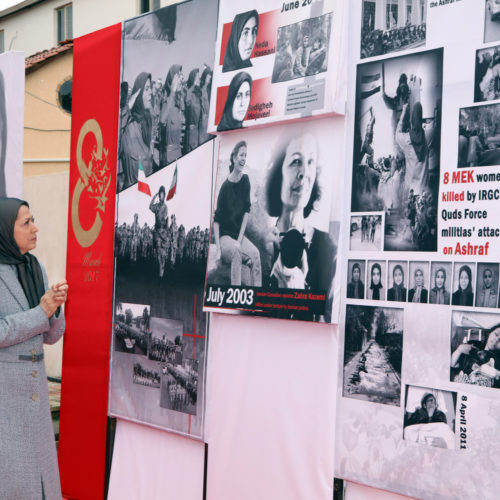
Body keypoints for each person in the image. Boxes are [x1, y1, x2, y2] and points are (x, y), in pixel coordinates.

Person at [0, 197, 68, 499]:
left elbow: (51, 336)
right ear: (5, 230)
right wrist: (40, 312)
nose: (35, 228)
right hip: (7, 400)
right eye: (26, 223)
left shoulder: (34, 267)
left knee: (41, 482)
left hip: (36, 394)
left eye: (33, 220)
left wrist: (55, 307)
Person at [266, 133, 335, 305]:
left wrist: (300, 295)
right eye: (296, 161)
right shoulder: (261, 245)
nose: (304, 173)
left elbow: (328, 320)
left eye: (310, 162)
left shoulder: (328, 250)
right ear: (278, 173)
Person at [213, 141, 261, 286]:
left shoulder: (245, 181)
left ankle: (258, 298)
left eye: (245, 156)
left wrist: (239, 240)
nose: (243, 158)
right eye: (241, 155)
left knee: (256, 254)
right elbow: (217, 221)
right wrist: (219, 250)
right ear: (234, 158)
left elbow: (246, 212)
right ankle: (236, 294)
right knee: (235, 251)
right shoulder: (225, 188)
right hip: (225, 237)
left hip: (238, 236)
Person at [119, 72, 153, 191]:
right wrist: (127, 107)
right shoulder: (127, 126)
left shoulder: (146, 121)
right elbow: (114, 137)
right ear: (138, 95)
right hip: (131, 193)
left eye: (151, 89)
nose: (151, 93)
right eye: (147, 89)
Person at [451, 323, 500, 388]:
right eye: (496, 334)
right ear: (490, 333)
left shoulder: (498, 361)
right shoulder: (473, 345)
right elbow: (452, 365)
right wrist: (459, 350)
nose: (497, 340)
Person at [159, 64, 185, 165]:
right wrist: (173, 92)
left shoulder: (177, 102)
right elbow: (162, 120)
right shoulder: (166, 102)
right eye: (177, 76)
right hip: (169, 158)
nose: (180, 80)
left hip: (178, 153)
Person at [149, 186, 169, 278]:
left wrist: (167, 233)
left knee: (163, 254)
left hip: (163, 232)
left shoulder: (165, 207)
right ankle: (160, 270)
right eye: (160, 194)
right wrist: (154, 197)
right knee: (158, 252)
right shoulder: (156, 206)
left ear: (164, 196)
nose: (161, 196)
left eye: (162, 194)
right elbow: (150, 206)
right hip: (157, 232)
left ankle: (162, 272)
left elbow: (166, 220)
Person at [184, 68, 202, 153]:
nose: (199, 79)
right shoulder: (189, 93)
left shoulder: (198, 92)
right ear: (193, 79)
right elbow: (188, 104)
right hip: (192, 129)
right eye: (198, 78)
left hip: (198, 128)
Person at [198, 67, 212, 144]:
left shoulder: (210, 89)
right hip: (204, 120)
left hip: (210, 119)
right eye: (208, 76)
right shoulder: (202, 90)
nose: (209, 77)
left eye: (210, 76)